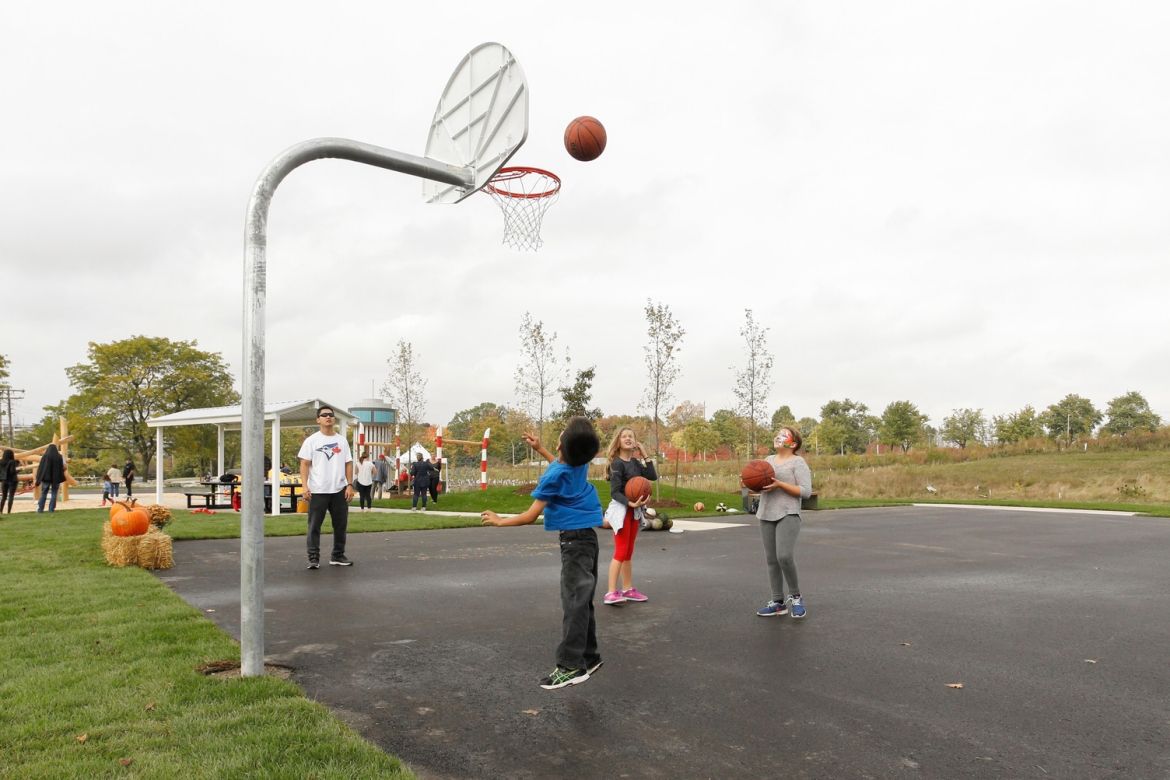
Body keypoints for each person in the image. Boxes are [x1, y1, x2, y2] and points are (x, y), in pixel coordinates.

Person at [481, 417, 604, 690]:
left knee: (574, 603)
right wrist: (541, 450)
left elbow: (530, 515)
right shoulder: (578, 464)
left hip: (574, 544)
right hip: (588, 540)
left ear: (561, 445)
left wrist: (501, 520)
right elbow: (563, 464)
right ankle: (589, 656)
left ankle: (571, 666)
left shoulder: (555, 475)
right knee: (582, 602)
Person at [753, 427, 813, 619]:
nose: (777, 436)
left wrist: (780, 484)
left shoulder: (798, 462)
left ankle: (796, 597)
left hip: (788, 513)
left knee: (784, 556)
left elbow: (805, 491)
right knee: (771, 560)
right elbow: (760, 485)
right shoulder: (768, 461)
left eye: (783, 434)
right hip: (766, 512)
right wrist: (749, 482)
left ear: (793, 443)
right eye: (777, 433)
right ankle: (778, 603)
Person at [602, 427, 658, 605]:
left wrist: (644, 454)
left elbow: (652, 476)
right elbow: (615, 492)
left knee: (628, 551)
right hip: (621, 510)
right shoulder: (617, 463)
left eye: (631, 436)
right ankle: (611, 592)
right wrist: (630, 503)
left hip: (634, 510)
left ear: (635, 442)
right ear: (618, 442)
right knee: (620, 550)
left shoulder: (634, 462)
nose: (627, 438)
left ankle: (627, 589)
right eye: (624, 436)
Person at [298, 406, 355, 569]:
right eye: (324, 415)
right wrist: (305, 486)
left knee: (340, 525)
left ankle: (337, 555)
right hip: (318, 490)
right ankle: (313, 558)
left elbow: (348, 463)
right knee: (314, 525)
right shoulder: (311, 441)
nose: (328, 417)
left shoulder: (342, 441)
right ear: (318, 420)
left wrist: (349, 485)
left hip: (339, 490)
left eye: (331, 415)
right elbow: (304, 464)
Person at [35, 443, 68, 513]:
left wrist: (38, 478)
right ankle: (51, 509)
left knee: (44, 493)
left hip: (46, 478)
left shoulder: (45, 456)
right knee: (54, 493)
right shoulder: (60, 457)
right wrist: (60, 470)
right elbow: (65, 467)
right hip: (56, 478)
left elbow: (41, 468)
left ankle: (40, 509)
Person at [1, 449, 18, 514]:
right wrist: (18, 471)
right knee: (11, 496)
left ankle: (1, 511)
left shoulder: (1, 462)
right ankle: (8, 512)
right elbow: (12, 472)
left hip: (4, 480)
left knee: (4, 497)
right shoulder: (12, 462)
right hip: (12, 480)